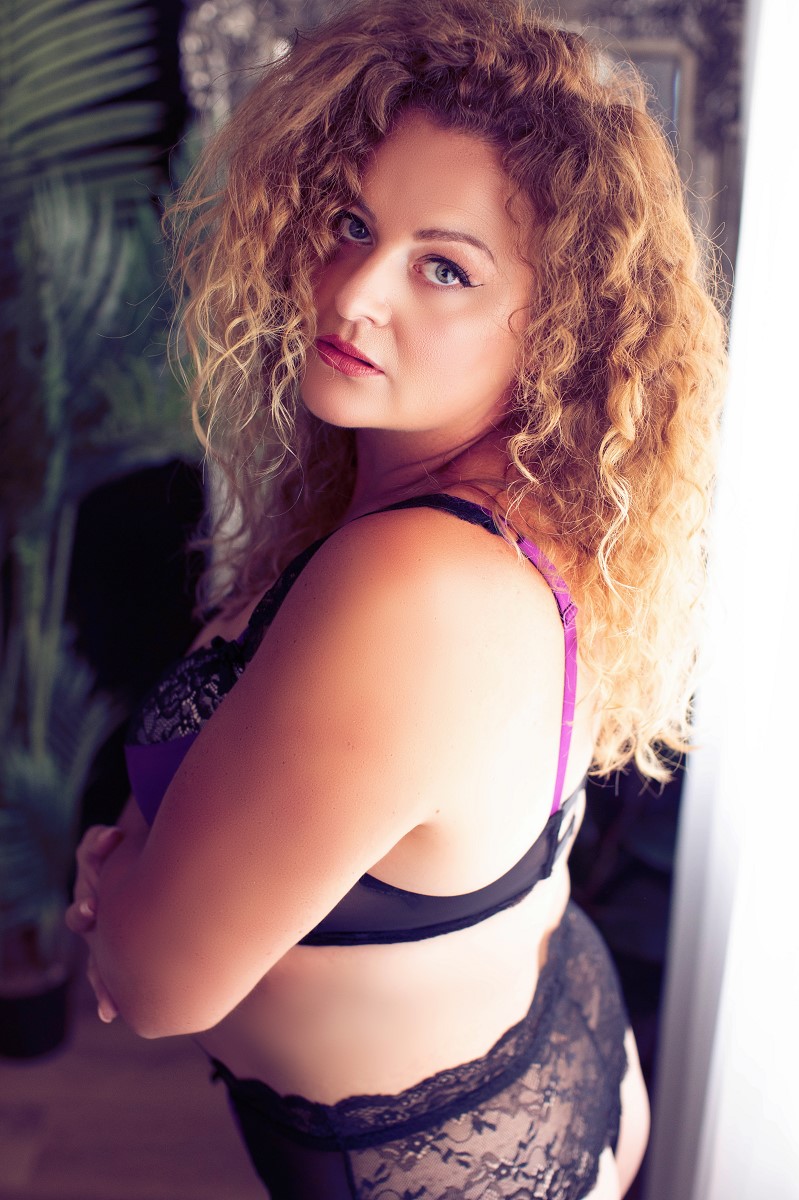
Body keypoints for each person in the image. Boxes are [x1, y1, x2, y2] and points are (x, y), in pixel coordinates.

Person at [66, 1, 727, 1196]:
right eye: (350, 223)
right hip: (554, 1039)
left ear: (558, 325)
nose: (355, 291)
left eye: (444, 266)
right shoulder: (535, 502)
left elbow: (156, 985)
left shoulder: (419, 586)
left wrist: (125, 885)